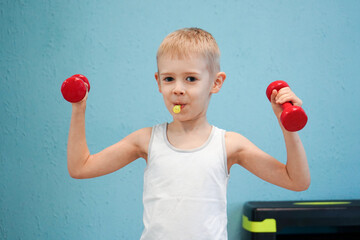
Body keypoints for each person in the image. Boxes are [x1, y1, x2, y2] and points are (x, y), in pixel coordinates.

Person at [67, 27, 310, 240]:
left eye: (191, 79)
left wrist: (287, 126)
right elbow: (81, 167)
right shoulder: (145, 140)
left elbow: (296, 181)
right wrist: (79, 108)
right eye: (169, 79)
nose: (178, 89)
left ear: (215, 83)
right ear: (159, 83)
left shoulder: (229, 145)